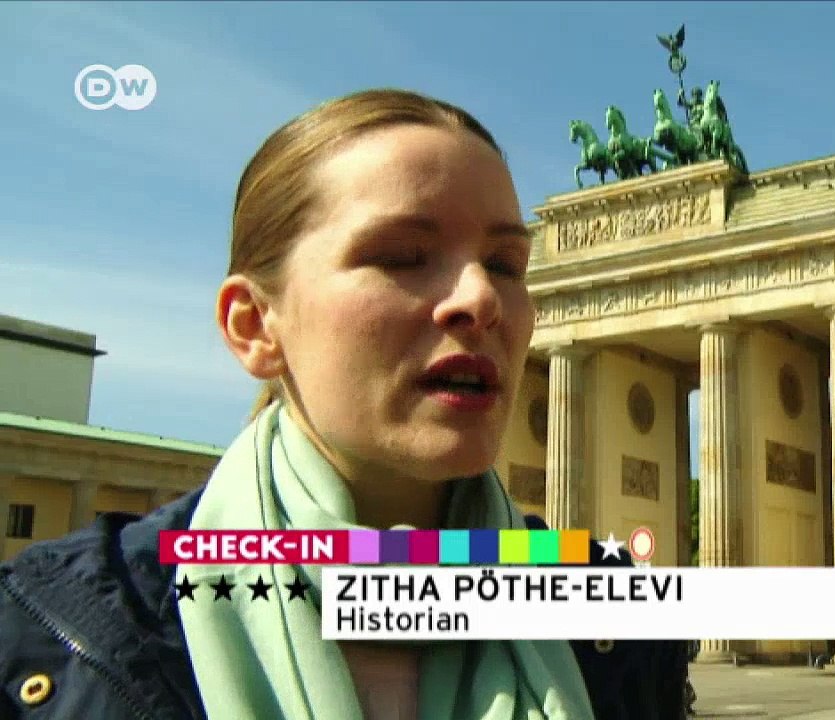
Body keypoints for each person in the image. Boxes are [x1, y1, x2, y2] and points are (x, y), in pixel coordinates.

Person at [0, 89, 687, 719]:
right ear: (254, 325)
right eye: (403, 255)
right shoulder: (50, 633)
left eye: (506, 265)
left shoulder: (617, 625)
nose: (481, 298)